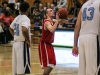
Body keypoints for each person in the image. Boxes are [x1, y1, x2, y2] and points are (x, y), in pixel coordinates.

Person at [72, 0, 100, 75]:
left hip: (82, 38)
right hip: (93, 37)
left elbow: (77, 26)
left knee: (82, 69)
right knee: (92, 69)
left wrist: (75, 45)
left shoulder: (84, 5)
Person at [38, 8, 67, 75]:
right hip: (44, 44)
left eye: (52, 10)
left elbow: (61, 21)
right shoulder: (46, 22)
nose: (52, 11)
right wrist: (57, 21)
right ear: (46, 14)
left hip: (49, 44)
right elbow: (51, 30)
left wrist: (63, 16)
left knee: (52, 62)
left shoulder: (52, 21)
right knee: (50, 62)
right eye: (50, 11)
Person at [9, 2, 31, 75]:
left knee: (16, 70)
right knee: (22, 70)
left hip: (16, 44)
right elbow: (24, 29)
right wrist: (27, 40)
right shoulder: (26, 18)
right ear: (28, 9)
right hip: (22, 44)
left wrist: (15, 36)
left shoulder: (17, 17)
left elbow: (10, 28)